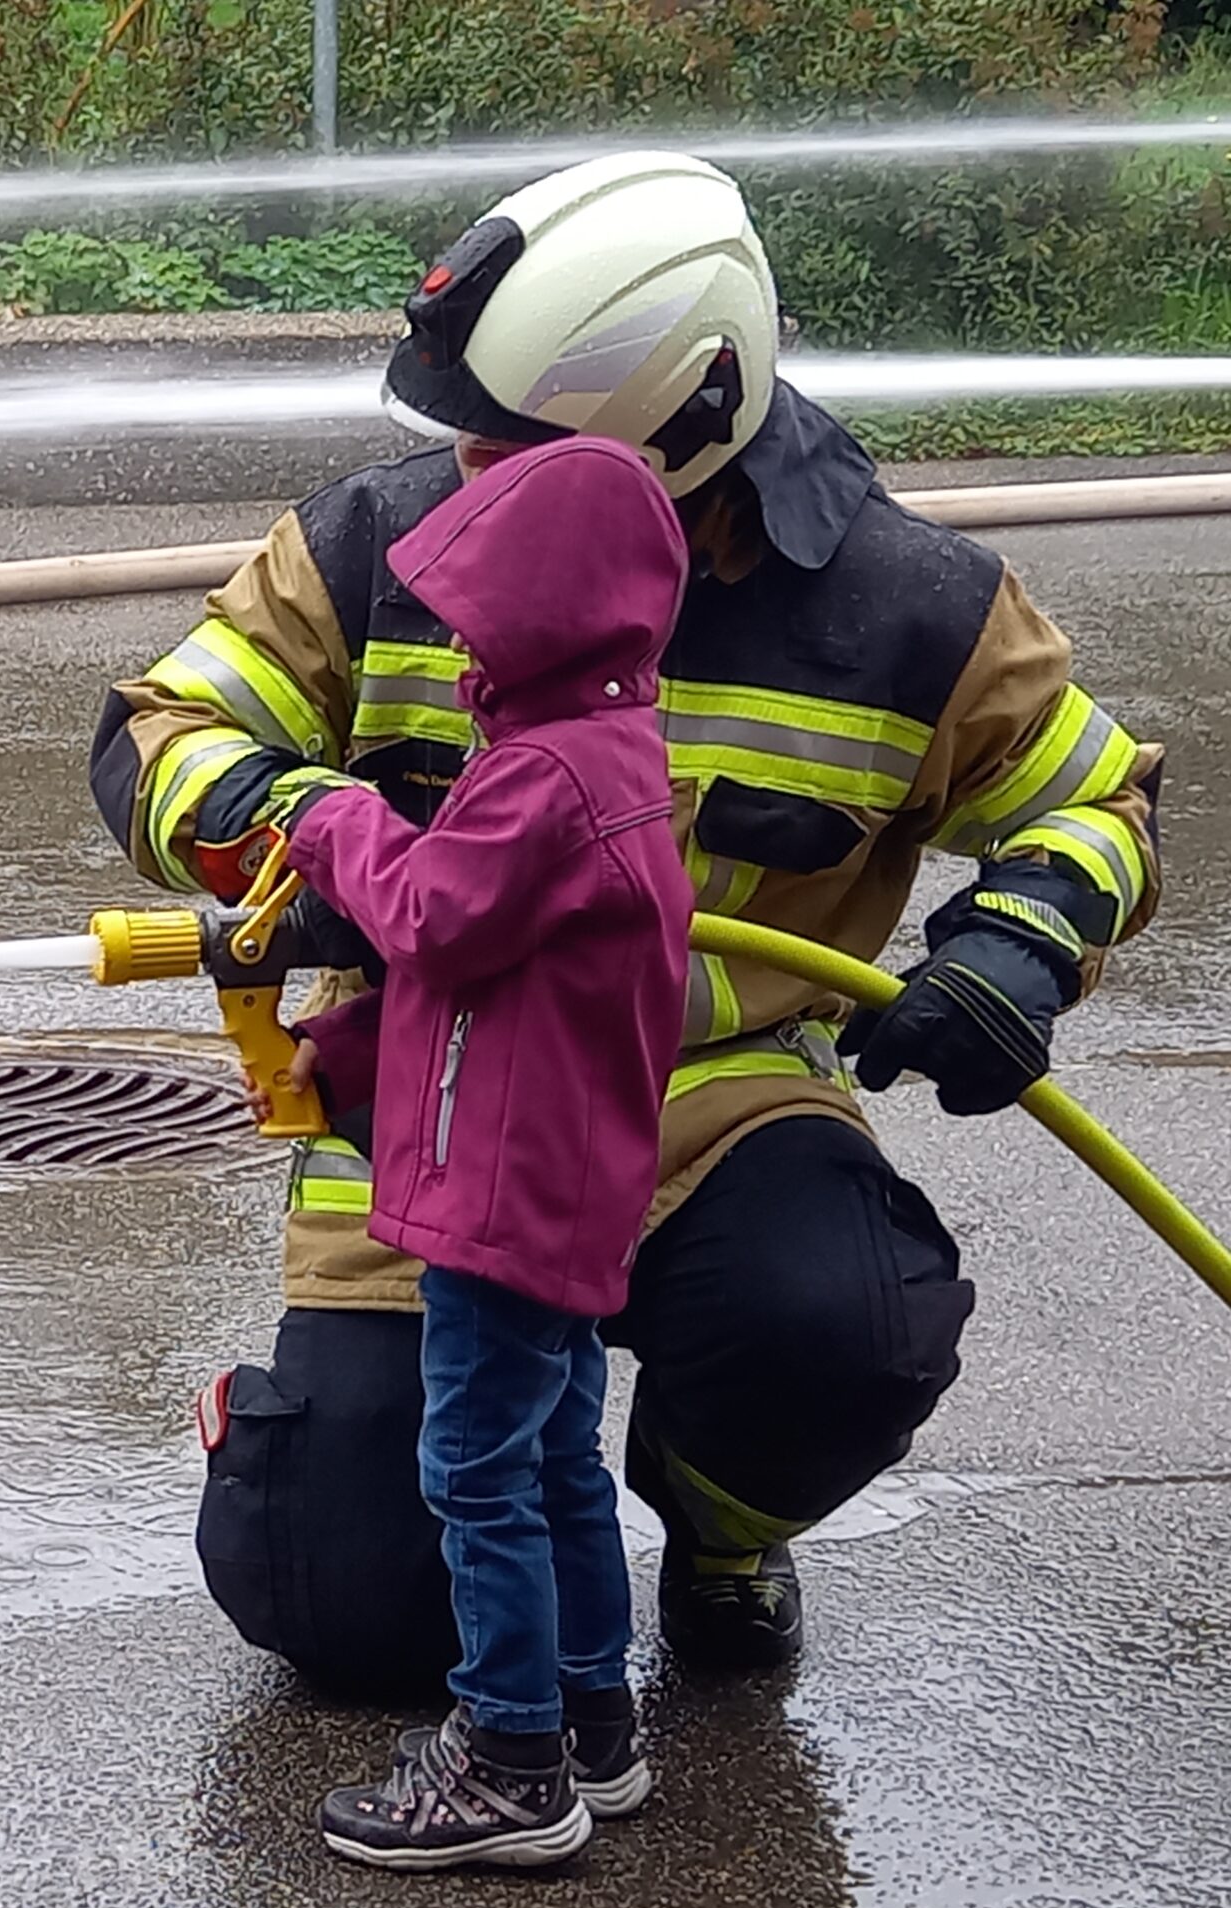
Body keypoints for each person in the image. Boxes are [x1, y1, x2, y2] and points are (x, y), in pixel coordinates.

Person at [96, 150, 1164, 1697]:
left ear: (668, 430)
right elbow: (158, 732)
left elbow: (1100, 803)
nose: (458, 472)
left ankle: (722, 1525)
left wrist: (1020, 941)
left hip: (709, 1093)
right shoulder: (369, 549)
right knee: (348, 1607)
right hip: (439, 1103)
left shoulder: (911, 609)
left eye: (503, 445)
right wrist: (300, 840)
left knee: (842, 1334)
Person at [257, 436, 693, 1870]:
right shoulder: (616, 756)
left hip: (502, 1202)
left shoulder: (542, 783)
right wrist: (363, 1058)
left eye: (482, 630)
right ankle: (593, 1722)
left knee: (474, 1468)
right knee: (558, 1450)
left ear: (552, 629)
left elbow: (436, 915)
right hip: (568, 1184)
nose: (455, 660)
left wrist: (336, 819)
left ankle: (509, 1759)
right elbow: (503, 992)